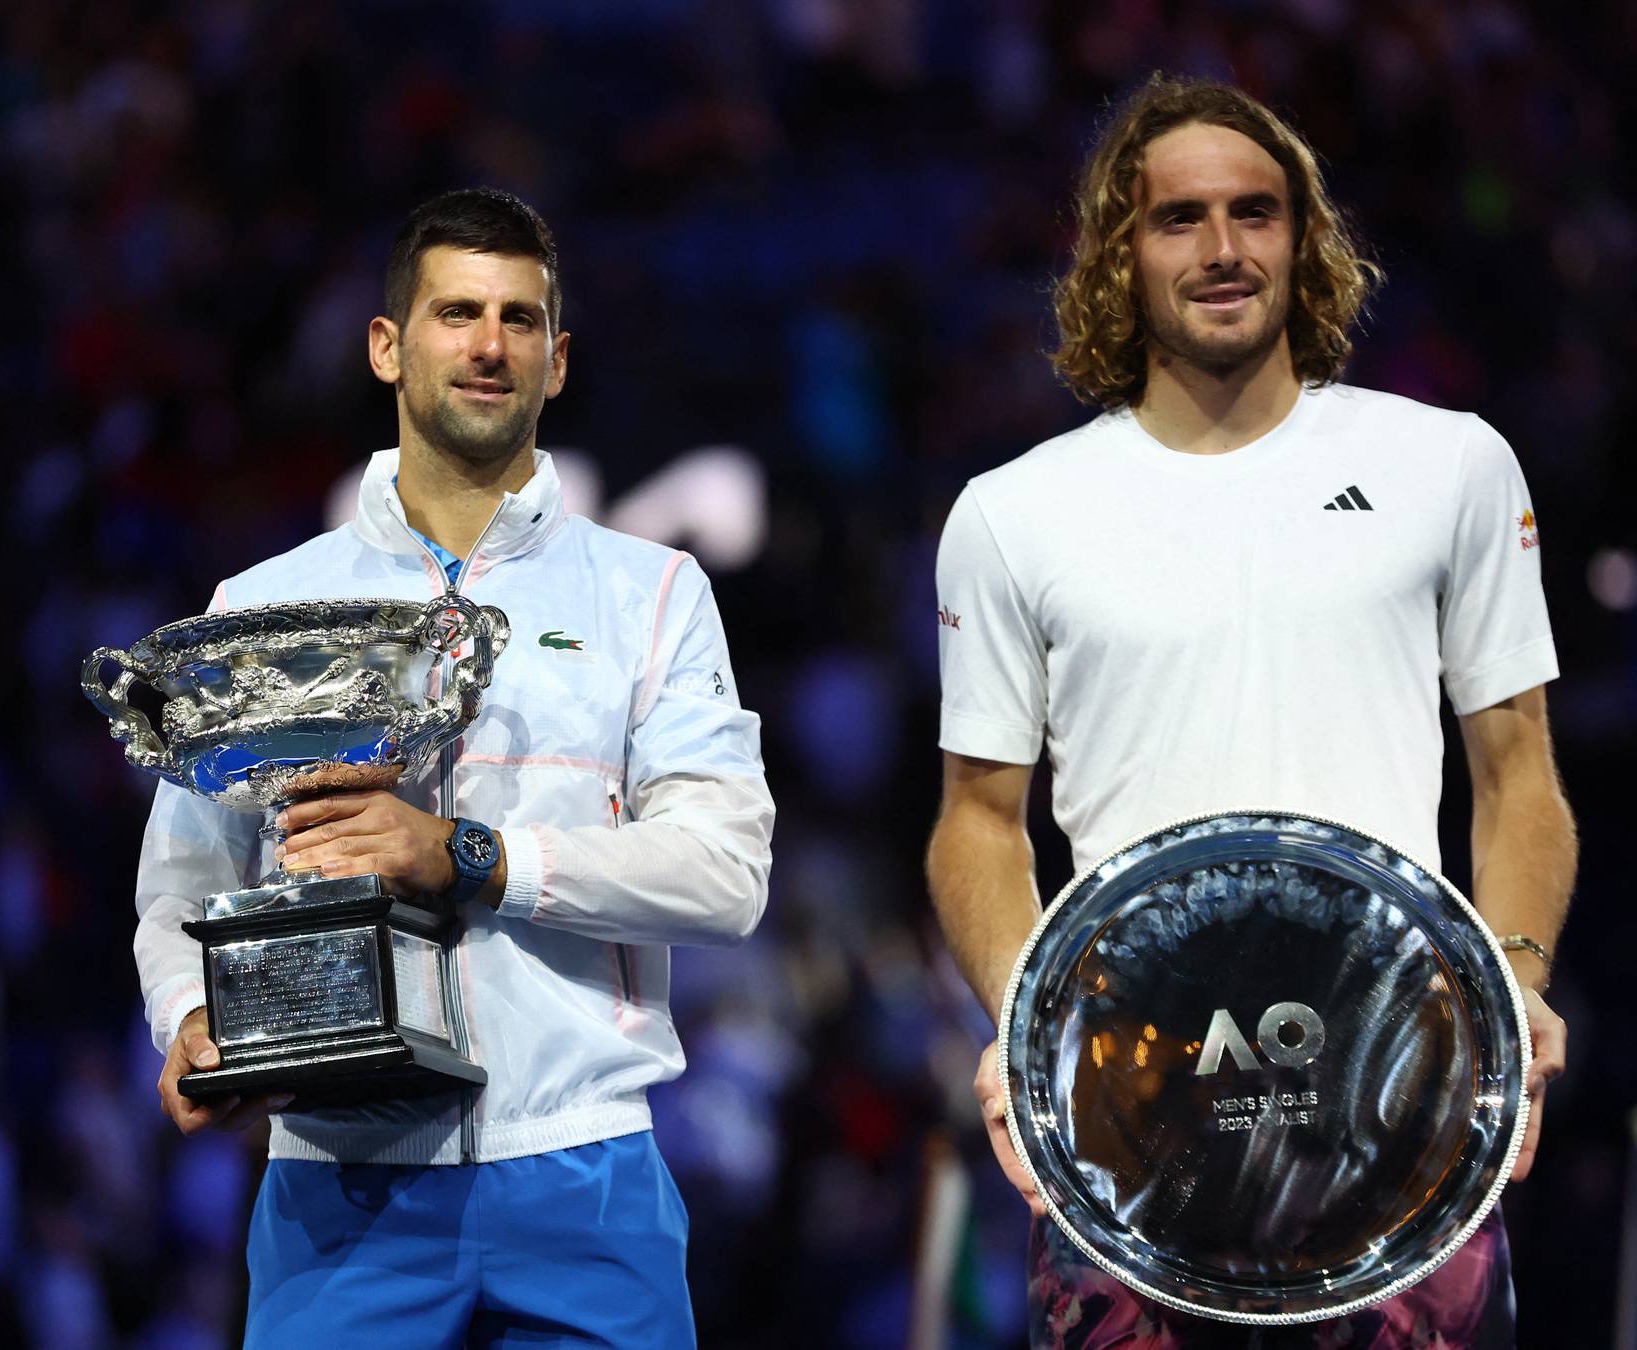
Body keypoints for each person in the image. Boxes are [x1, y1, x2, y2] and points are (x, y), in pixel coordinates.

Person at [927, 76, 1573, 1348]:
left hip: (1404, 1095)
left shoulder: (1448, 465)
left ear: (1302, 237)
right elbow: (977, 821)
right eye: (1180, 220)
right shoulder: (1013, 513)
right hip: (1139, 1117)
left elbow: (1519, 779)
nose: (1223, 250)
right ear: (1122, 253)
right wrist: (1029, 1025)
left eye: (1255, 213)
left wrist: (1522, 984)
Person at [132, 187, 774, 1347]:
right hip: (338, 1182)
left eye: (520, 320)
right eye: (457, 313)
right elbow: (179, 887)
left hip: (585, 1170)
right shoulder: (263, 606)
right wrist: (190, 1017)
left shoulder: (654, 595)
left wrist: (466, 857)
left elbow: (725, 876)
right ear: (388, 345)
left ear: (558, 360)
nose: (489, 345)